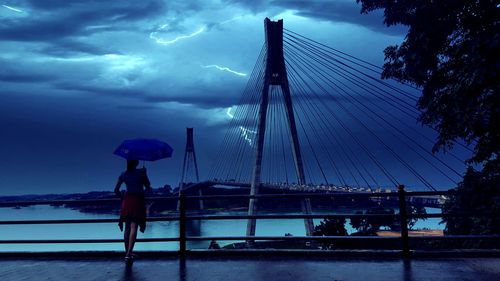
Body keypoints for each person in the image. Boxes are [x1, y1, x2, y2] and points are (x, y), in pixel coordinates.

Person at [114, 159, 152, 263]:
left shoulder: (123, 174)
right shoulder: (141, 173)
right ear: (136, 163)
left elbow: (116, 190)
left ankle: (128, 253)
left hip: (127, 200)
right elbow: (148, 187)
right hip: (137, 200)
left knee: (127, 228)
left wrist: (122, 198)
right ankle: (129, 253)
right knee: (134, 226)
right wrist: (145, 174)